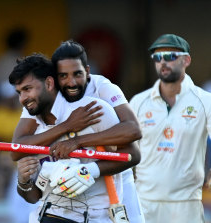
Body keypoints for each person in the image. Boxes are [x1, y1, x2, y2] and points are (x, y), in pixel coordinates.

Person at [12, 40, 144, 222]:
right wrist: (66, 127)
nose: (71, 82)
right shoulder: (34, 106)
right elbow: (16, 150)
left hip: (111, 188)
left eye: (77, 74)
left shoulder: (99, 96)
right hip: (56, 210)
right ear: (54, 80)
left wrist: (80, 146)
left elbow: (133, 133)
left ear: (88, 72)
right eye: (63, 76)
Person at [129, 34, 211, 223]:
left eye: (170, 56)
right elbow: (127, 147)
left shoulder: (205, 100)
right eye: (157, 58)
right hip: (144, 202)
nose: (163, 62)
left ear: (186, 60)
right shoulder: (139, 102)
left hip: (186, 204)